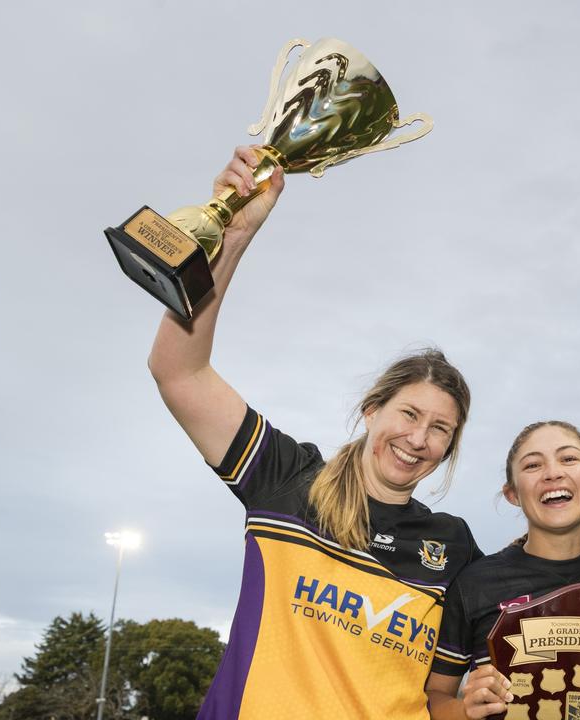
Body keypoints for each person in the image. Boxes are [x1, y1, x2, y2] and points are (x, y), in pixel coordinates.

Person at [148, 147, 481, 720]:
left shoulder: (452, 546)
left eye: (440, 429)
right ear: (373, 409)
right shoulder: (285, 477)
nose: (419, 438)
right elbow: (178, 371)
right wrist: (235, 234)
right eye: (409, 414)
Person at [425, 421, 580, 719]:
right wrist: (464, 709)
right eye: (533, 465)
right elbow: (433, 698)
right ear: (512, 493)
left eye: (569, 459)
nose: (553, 473)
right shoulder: (476, 581)